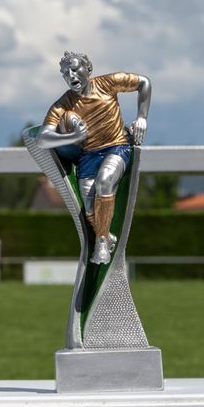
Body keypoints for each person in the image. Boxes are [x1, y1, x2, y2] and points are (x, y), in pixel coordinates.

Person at [36, 51, 151, 265]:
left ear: (88, 69)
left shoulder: (108, 83)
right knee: (90, 209)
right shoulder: (64, 104)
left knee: (104, 181)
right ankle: (105, 236)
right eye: (65, 73)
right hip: (87, 157)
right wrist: (72, 137)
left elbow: (144, 83)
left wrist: (142, 117)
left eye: (74, 69)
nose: (70, 75)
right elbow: (42, 138)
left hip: (117, 148)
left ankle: (101, 243)